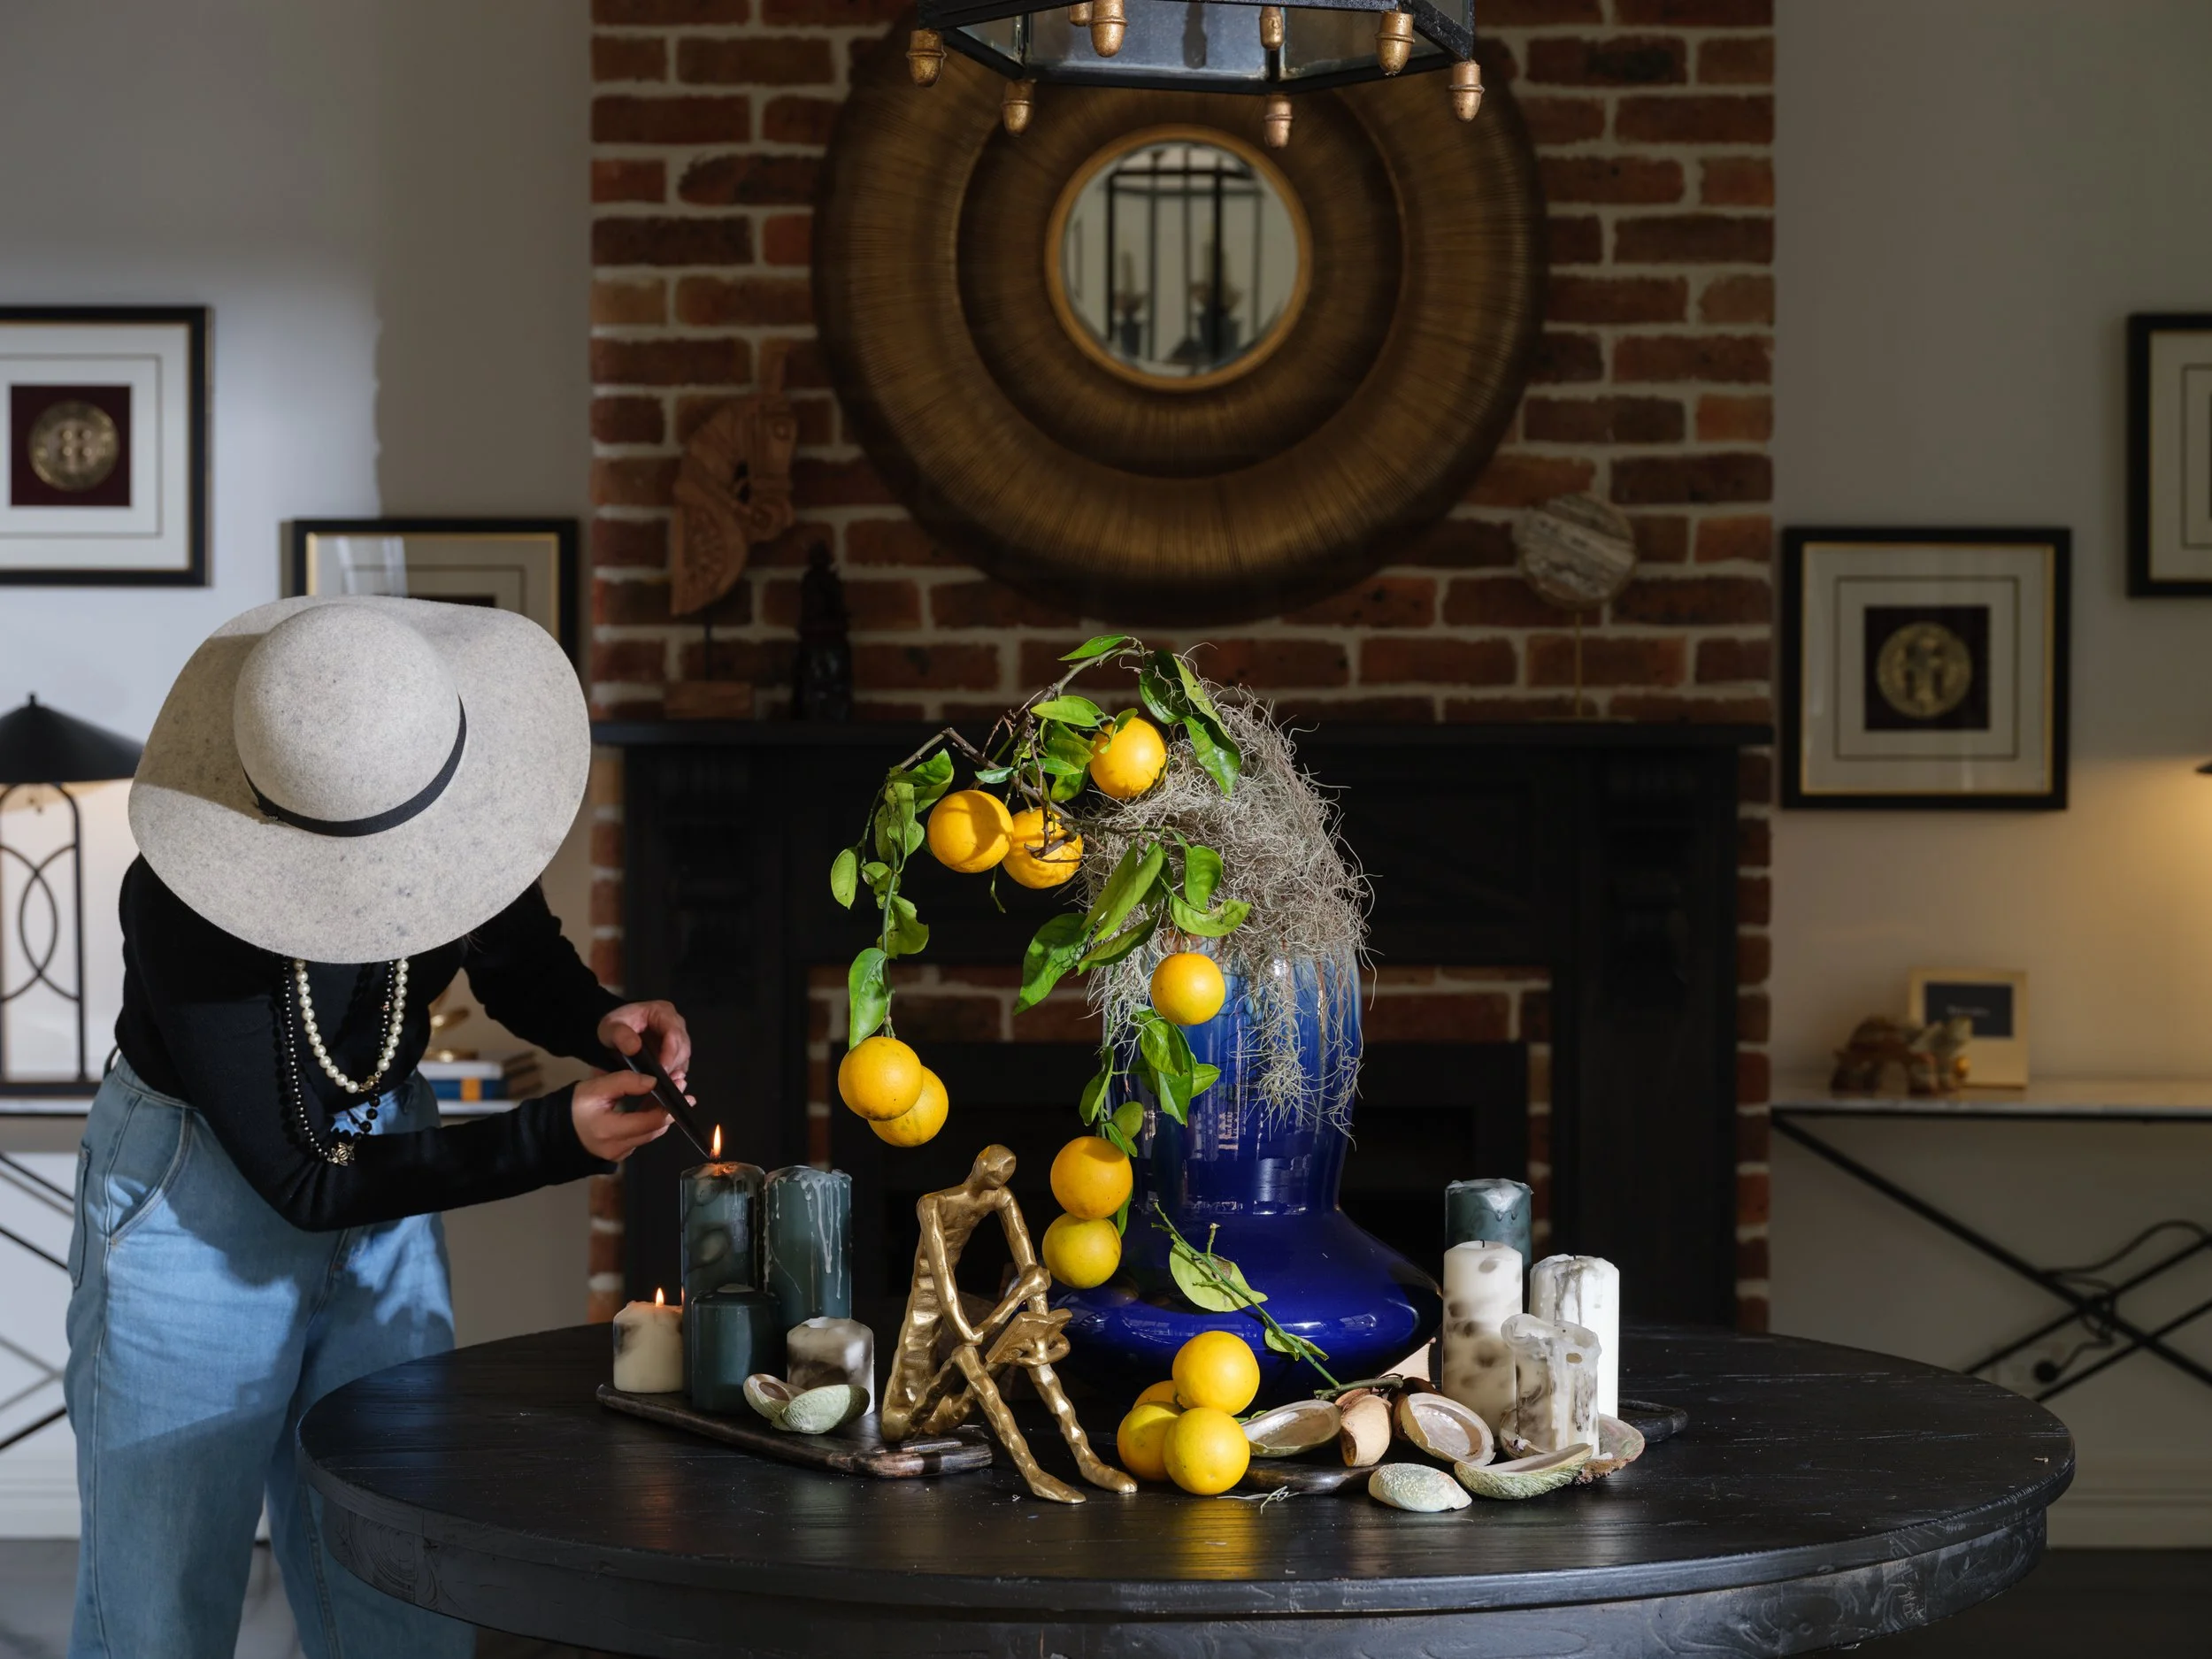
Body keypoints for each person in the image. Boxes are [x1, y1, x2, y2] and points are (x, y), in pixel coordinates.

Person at [65, 595, 683, 1659]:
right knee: (160, 1608)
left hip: (385, 1161)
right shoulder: (182, 906)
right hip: (199, 1194)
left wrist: (599, 1021)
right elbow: (301, 1177)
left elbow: (514, 953)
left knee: (394, 1572)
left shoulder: (444, 792)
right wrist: (552, 1141)